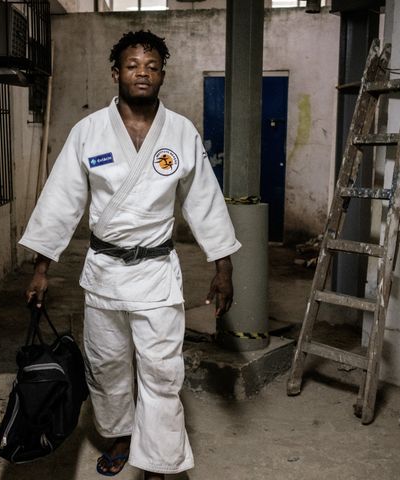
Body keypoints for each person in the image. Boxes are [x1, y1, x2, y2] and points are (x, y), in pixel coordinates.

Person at [19, 30, 241, 480]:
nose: (143, 73)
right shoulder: (89, 132)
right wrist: (42, 269)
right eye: (133, 65)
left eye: (152, 66)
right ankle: (121, 436)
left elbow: (205, 200)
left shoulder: (179, 131)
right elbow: (61, 201)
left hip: (157, 272)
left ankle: (157, 462)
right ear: (116, 71)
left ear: (162, 74)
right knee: (107, 367)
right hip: (104, 271)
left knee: (162, 372)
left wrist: (223, 266)